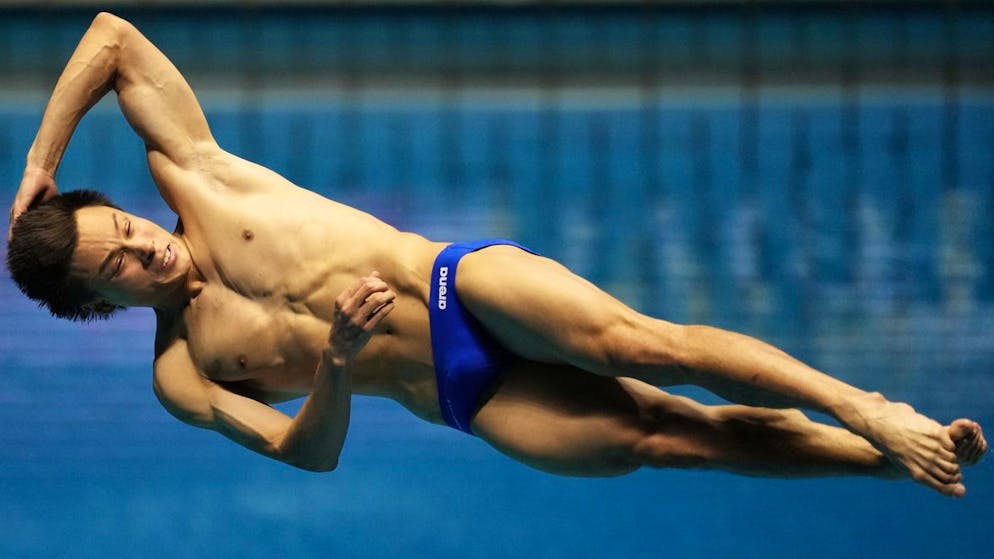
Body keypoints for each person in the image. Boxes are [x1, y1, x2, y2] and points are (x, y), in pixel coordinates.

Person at [7, 12, 986, 496]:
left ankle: (870, 407)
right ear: (100, 301)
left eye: (126, 229)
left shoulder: (200, 178)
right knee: (661, 438)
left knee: (639, 346)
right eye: (119, 265)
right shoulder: (185, 371)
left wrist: (38, 168)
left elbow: (112, 37)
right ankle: (890, 459)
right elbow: (309, 454)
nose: (143, 249)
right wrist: (337, 367)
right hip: (460, 396)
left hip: (452, 288)